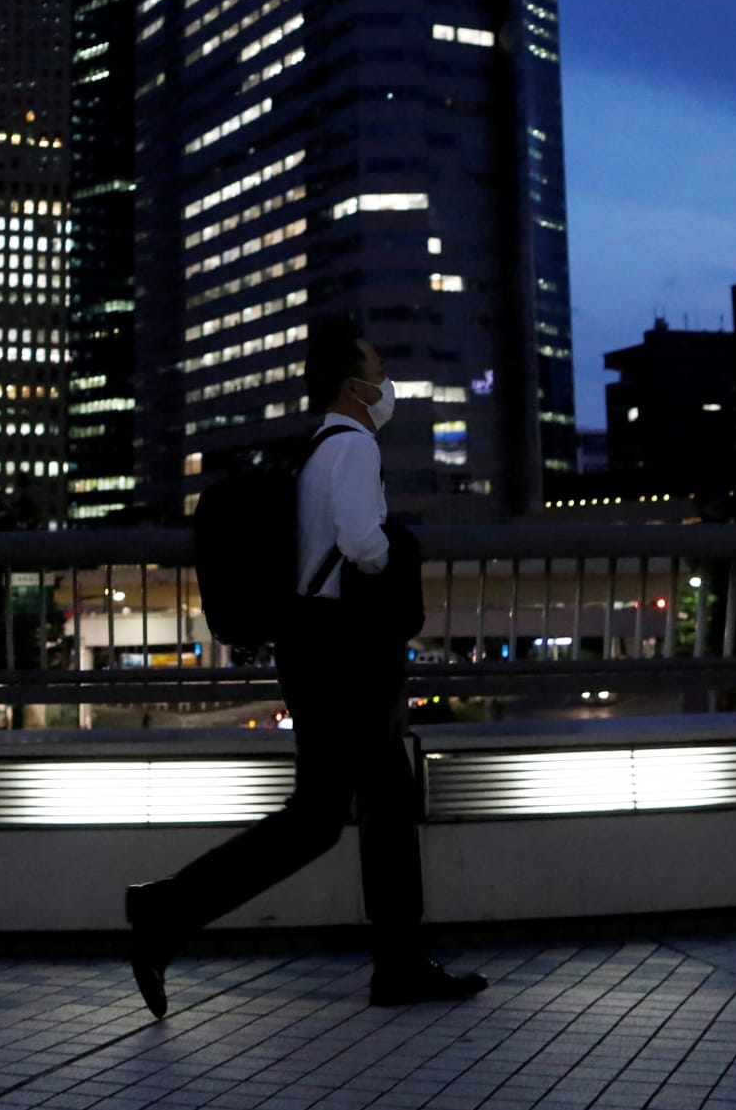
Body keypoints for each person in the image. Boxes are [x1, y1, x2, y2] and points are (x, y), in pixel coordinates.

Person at [124, 317, 487, 1016]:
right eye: (379, 370)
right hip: (346, 654)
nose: (386, 384)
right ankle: (166, 910)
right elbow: (359, 539)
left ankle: (397, 963)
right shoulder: (351, 445)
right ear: (355, 387)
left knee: (362, 806)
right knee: (337, 812)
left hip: (319, 649)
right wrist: (389, 558)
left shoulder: (318, 447)